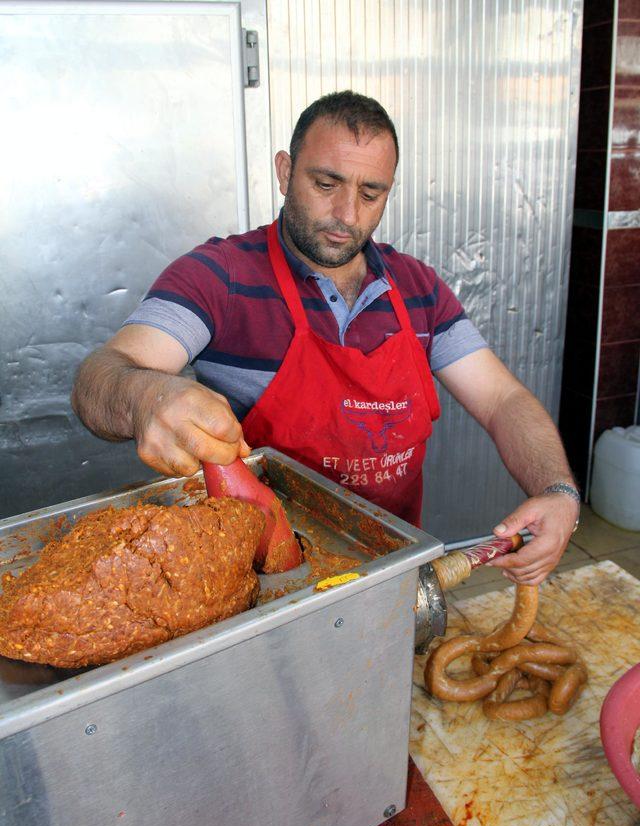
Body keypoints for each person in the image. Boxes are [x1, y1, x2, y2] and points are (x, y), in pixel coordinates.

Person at [72, 90, 580, 586]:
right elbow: (104, 372)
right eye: (326, 183)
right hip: (259, 581)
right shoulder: (220, 277)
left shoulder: (419, 289)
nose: (347, 215)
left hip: (390, 571)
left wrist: (558, 492)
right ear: (285, 172)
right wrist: (146, 397)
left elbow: (501, 399)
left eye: (370, 193)